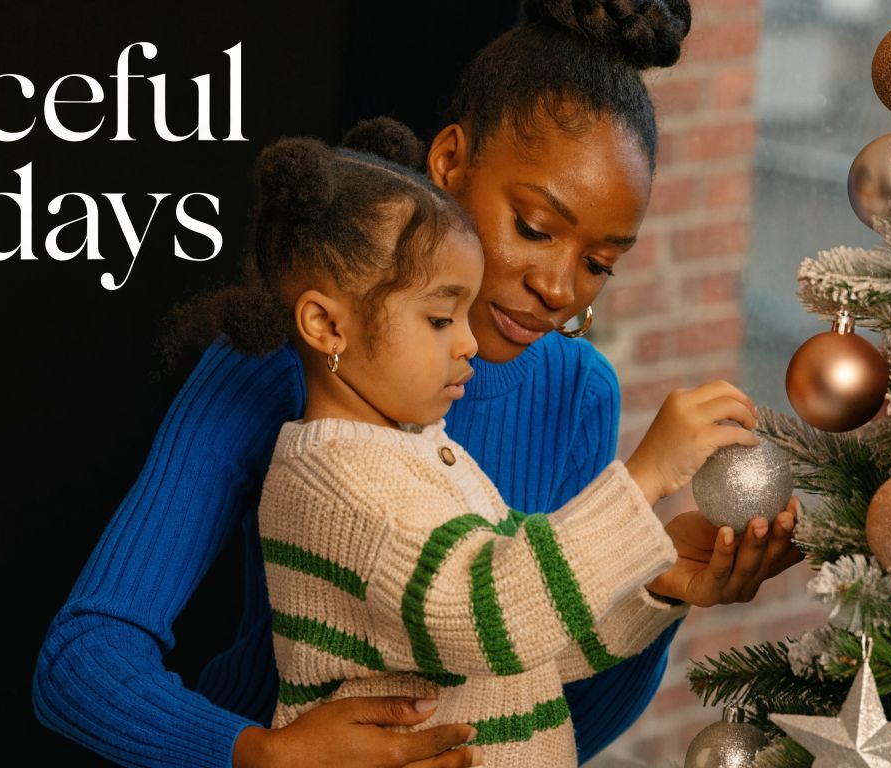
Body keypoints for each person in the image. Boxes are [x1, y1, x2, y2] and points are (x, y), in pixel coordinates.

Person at [33, 2, 804, 766]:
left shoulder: (577, 391)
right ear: (449, 162)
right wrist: (262, 756)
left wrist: (660, 586)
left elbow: (552, 704)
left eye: (600, 261)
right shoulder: (284, 356)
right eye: (535, 228)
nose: (561, 287)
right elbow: (83, 658)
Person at [219, 128, 760, 768]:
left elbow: (530, 648)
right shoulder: (337, 481)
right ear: (327, 325)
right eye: (442, 319)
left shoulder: (422, 455)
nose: (469, 342)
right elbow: (491, 616)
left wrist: (658, 579)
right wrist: (641, 479)